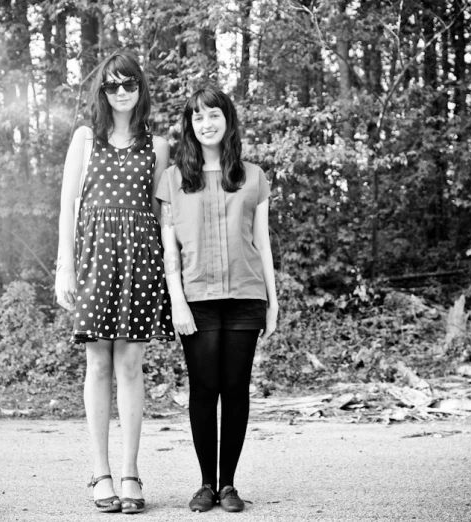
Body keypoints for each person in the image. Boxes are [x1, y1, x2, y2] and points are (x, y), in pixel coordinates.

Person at [54, 50, 174, 515]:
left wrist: (171, 274)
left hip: (141, 262)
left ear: (140, 90)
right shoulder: (86, 138)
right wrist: (64, 266)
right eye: (112, 86)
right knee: (97, 365)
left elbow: (162, 214)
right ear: (102, 92)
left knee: (130, 365)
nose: (121, 93)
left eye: (129, 85)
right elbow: (68, 206)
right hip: (94, 259)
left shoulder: (157, 145)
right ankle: (100, 472)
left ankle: (130, 474)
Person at [156, 86, 278, 513]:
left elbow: (262, 243)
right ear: (190, 126)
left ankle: (229, 486)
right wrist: (177, 302)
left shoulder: (253, 176)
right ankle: (205, 484)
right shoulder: (172, 180)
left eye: (214, 116)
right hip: (197, 297)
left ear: (228, 121)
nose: (206, 124)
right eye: (197, 117)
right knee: (204, 389)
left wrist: (273, 301)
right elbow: (170, 250)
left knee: (236, 389)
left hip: (246, 295)